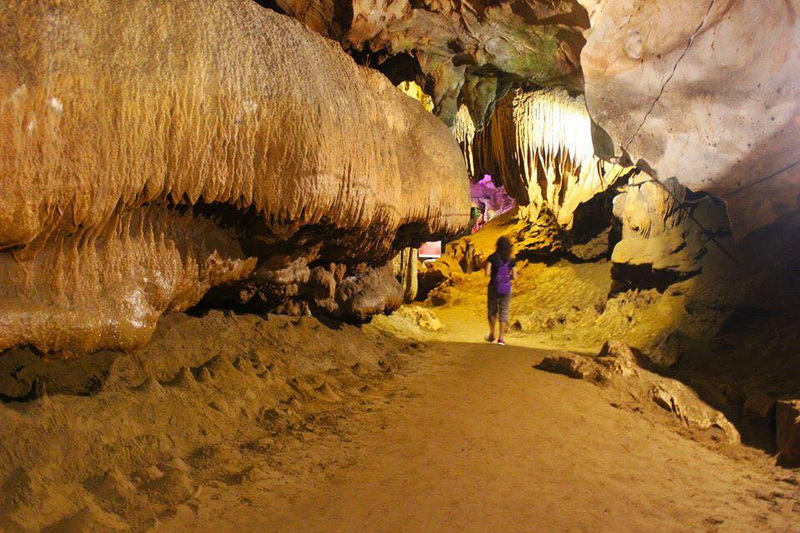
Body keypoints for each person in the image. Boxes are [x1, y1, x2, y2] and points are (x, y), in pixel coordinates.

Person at [484, 236, 517, 345]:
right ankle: (501, 338)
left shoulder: (492, 257)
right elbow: (515, 276)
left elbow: (487, 273)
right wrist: (507, 279)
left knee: (492, 310)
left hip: (494, 286)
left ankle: (492, 334)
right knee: (504, 312)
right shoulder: (511, 259)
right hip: (507, 288)